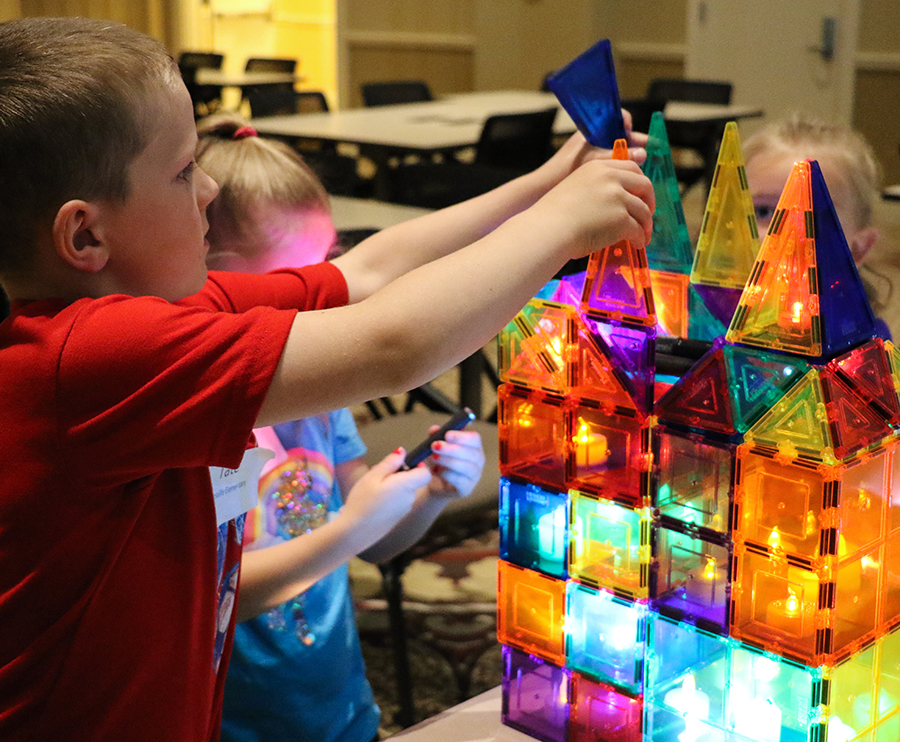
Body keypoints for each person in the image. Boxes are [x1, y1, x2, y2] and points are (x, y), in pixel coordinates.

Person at [0, 16, 654, 742]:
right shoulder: (91, 358)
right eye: (183, 171)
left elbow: (368, 271)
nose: (209, 187)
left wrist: (545, 186)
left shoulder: (149, 318)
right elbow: (395, 341)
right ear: (86, 236)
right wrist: (563, 224)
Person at [195, 113, 486, 742]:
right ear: (217, 286)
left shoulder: (318, 400)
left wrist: (427, 492)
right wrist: (353, 527)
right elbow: (217, 599)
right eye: (296, 281)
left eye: (326, 267)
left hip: (339, 711)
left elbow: (377, 543)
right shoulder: (201, 427)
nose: (325, 300)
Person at [743, 113, 892, 338]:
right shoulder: (707, 313)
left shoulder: (865, 344)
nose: (785, 235)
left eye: (810, 216)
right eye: (763, 211)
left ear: (859, 249)